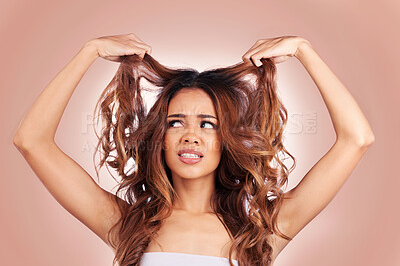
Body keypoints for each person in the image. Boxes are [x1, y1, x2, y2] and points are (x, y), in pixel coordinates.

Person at [13, 33, 375, 266]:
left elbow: (356, 139)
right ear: (161, 138)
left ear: (226, 140)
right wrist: (88, 51)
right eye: (175, 122)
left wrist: (303, 50)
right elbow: (31, 141)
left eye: (207, 124)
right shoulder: (129, 225)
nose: (190, 135)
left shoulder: (261, 229)